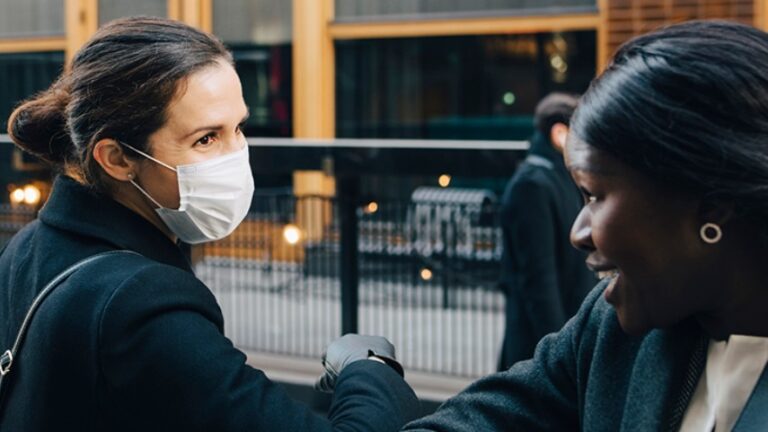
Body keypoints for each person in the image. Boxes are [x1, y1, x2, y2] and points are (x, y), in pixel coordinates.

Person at [0, 17, 418, 431]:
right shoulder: (142, 306)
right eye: (206, 138)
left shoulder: (25, 249)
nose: (237, 154)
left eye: (238, 128)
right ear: (117, 158)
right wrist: (370, 370)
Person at [403, 20, 768, 431]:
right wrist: (370, 384)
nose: (579, 232)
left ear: (712, 208)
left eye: (594, 195)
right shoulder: (611, 331)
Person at [497, 93, 597, 370]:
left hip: (557, 333)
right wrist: (558, 348)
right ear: (559, 133)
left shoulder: (553, 179)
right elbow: (539, 281)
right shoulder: (533, 185)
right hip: (539, 346)